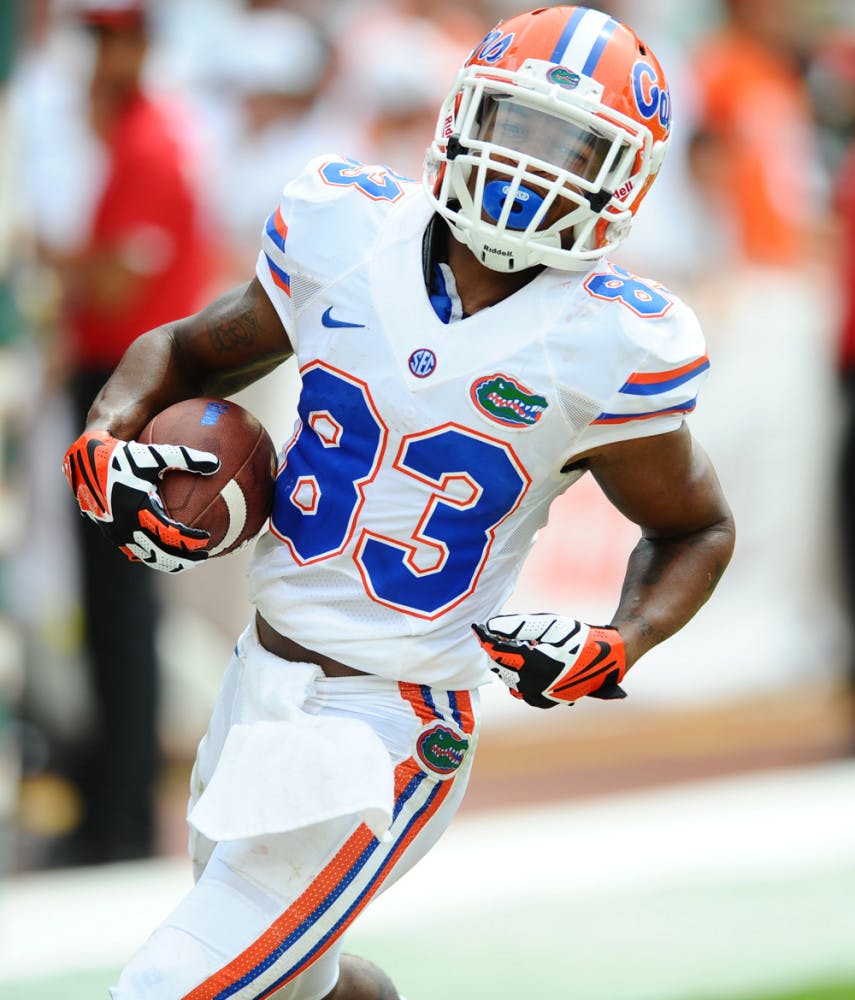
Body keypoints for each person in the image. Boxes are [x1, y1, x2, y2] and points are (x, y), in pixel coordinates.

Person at [62, 6, 735, 998]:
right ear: (463, 114)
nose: (534, 170)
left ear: (625, 176)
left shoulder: (606, 346)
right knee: (293, 980)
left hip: (392, 723)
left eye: (573, 148)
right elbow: (186, 350)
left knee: (170, 986)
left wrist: (623, 639)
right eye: (519, 127)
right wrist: (107, 431)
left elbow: (696, 525)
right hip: (260, 679)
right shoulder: (346, 230)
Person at [47, 0, 212, 865]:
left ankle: (117, 816)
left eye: (111, 40)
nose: (97, 57)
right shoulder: (132, 136)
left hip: (131, 391)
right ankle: (112, 805)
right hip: (125, 385)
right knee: (114, 607)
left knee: (122, 606)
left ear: (142, 45)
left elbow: (112, 288)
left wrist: (46, 256)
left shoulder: (148, 142)